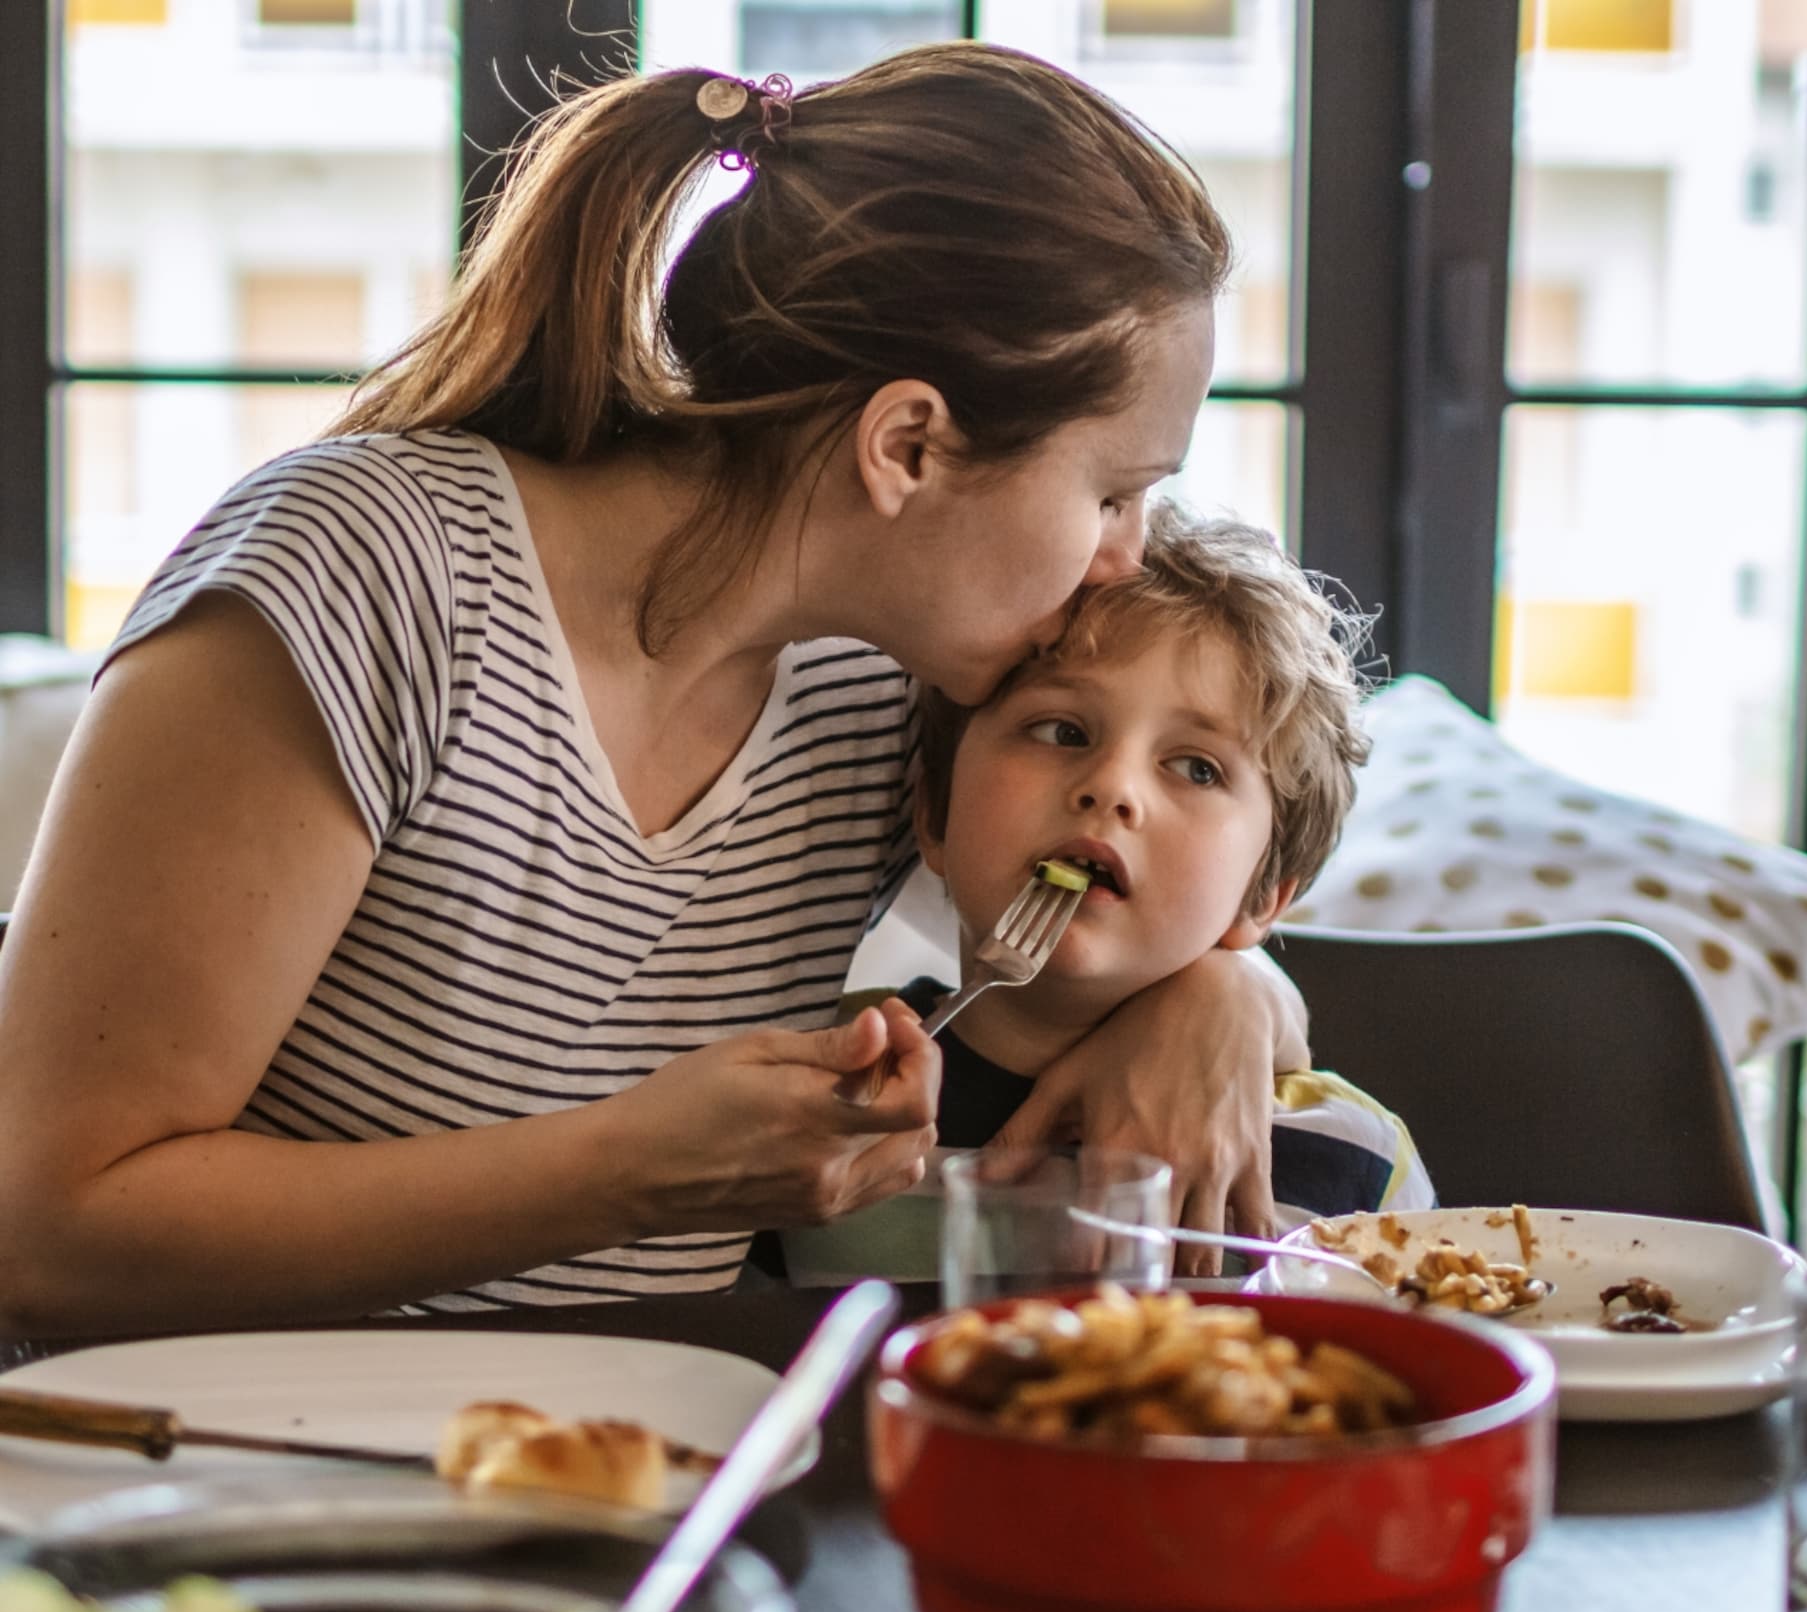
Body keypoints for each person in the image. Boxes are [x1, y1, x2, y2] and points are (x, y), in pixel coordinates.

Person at [0, 45, 1315, 1333]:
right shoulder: (368, 575)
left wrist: (1225, 995)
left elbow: (1127, 897)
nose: (1124, 559)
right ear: (906, 443)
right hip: (231, 1482)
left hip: (658, 1467)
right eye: (1112, 492)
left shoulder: (881, 681)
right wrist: (624, 1175)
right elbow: (44, 1224)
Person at [901, 504, 1433, 1220]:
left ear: (1261, 897)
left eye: (1196, 768)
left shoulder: (1349, 1159)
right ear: (934, 815)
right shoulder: (830, 1089)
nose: (1114, 786)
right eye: (1061, 730)